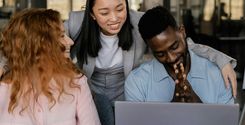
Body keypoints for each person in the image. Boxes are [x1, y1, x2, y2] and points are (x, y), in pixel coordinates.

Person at [64, 0, 236, 124]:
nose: (114, 18)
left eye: (120, 8)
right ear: (92, 14)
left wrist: (221, 60)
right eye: (104, 13)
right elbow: (48, 41)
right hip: (92, 92)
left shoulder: (139, 21)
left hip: (124, 91)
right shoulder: (75, 22)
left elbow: (181, 44)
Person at [0, 8, 101, 125]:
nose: (70, 42)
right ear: (39, 44)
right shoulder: (4, 89)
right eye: (62, 36)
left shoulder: (77, 83)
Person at [125, 6, 234, 104]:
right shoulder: (136, 82)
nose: (171, 58)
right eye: (160, 54)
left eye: (174, 47)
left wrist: (198, 106)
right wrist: (174, 109)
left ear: (182, 32)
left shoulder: (219, 75)